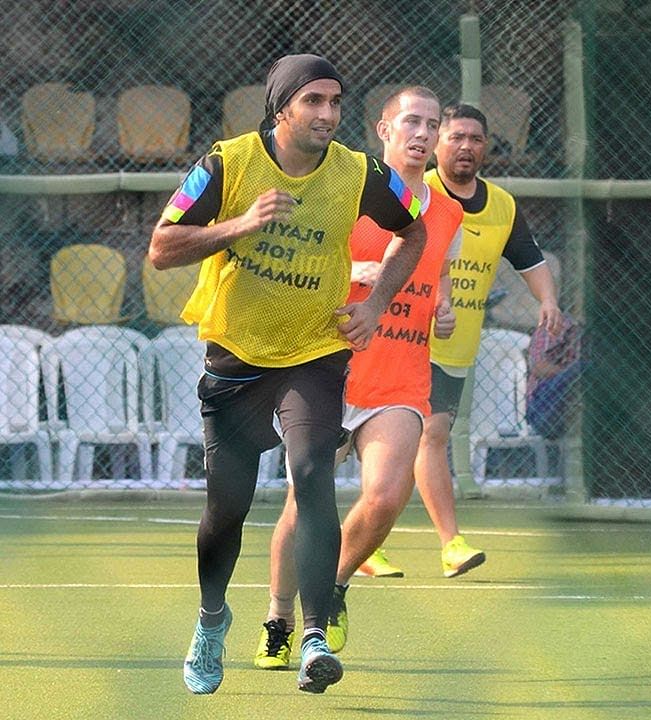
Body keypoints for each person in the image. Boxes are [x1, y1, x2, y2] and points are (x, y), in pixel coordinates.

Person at [150, 54, 427, 695]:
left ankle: (311, 638)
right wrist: (243, 223)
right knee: (228, 508)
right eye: (314, 102)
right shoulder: (226, 163)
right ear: (282, 109)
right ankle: (211, 621)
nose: (328, 114)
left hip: (314, 351)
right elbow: (162, 248)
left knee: (312, 477)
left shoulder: (362, 172)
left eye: (335, 102)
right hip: (238, 361)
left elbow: (414, 230)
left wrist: (377, 303)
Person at [253, 86, 462, 670]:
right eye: (412, 122)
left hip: (399, 379)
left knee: (387, 496)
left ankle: (335, 585)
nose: (423, 134)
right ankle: (278, 618)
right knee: (303, 504)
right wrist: (358, 271)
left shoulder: (446, 214)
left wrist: (442, 313)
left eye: (433, 124)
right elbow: (295, 266)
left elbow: (435, 291)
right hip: (328, 371)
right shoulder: (345, 190)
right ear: (384, 130)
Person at [374, 102, 563, 579]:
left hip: (453, 344)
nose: (465, 146)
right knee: (393, 442)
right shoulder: (418, 193)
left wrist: (549, 302)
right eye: (455, 136)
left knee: (429, 438)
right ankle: (430, 541)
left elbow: (529, 260)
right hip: (399, 337)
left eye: (475, 139)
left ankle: (436, 545)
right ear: (437, 143)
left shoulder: (501, 205)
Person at [525, 310, 582, 440]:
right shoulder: (558, 323)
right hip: (543, 408)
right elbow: (538, 367)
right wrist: (570, 372)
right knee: (582, 368)